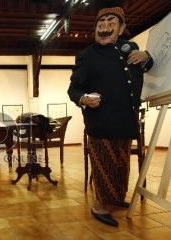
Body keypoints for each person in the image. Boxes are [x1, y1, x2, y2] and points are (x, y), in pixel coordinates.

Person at [67, 6, 153, 227]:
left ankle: (114, 199)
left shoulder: (130, 48)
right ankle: (100, 205)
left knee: (121, 166)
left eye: (111, 23)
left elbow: (148, 66)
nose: (105, 28)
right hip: (101, 122)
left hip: (126, 120)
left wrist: (147, 56)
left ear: (122, 27)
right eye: (101, 24)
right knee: (105, 166)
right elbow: (74, 90)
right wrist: (84, 98)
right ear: (95, 28)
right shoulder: (86, 56)